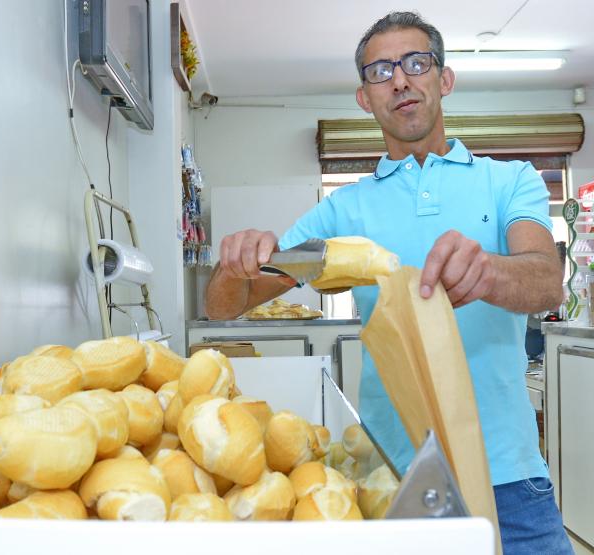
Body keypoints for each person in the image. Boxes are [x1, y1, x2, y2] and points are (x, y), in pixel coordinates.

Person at [204, 11, 572, 554]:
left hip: (508, 476)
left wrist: (488, 271)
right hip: (394, 479)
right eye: (380, 71)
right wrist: (234, 264)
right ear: (364, 97)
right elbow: (225, 307)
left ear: (443, 80)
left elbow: (547, 283)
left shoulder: (510, 179)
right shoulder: (344, 209)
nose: (399, 80)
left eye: (415, 63)